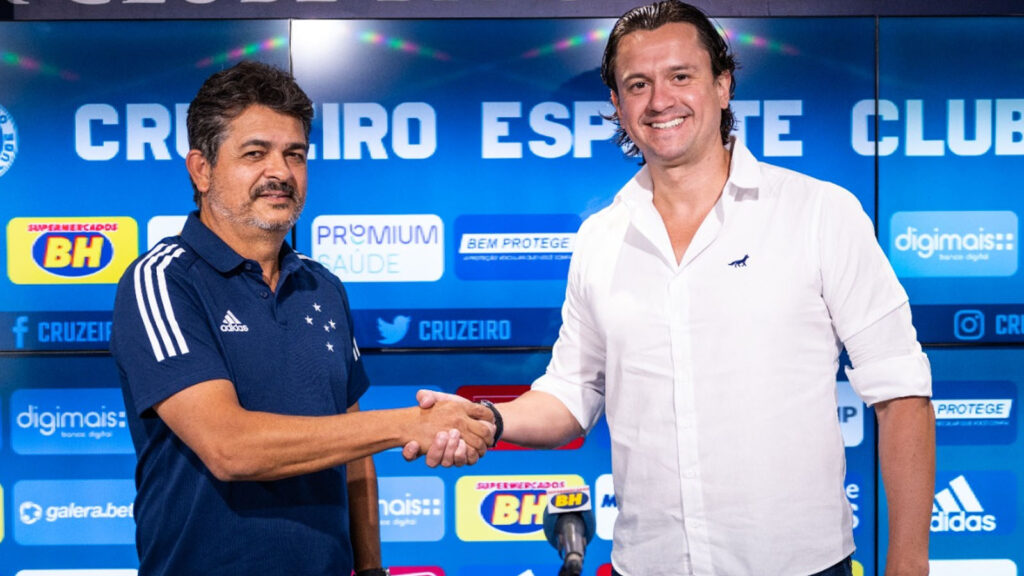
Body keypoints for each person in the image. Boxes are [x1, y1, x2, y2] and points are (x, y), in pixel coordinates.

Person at [406, 2, 935, 575]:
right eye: (639, 84)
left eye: (681, 76)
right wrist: (490, 419)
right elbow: (571, 394)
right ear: (618, 105)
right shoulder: (601, 237)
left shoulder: (819, 213)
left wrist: (908, 564)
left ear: (723, 85)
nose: (660, 100)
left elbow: (901, 393)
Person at [111, 60, 494, 576]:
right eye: (255, 153)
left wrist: (372, 570)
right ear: (201, 170)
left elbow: (354, 448)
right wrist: (409, 423)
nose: (280, 172)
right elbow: (230, 447)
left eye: (295, 154)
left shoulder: (323, 286)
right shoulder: (161, 280)